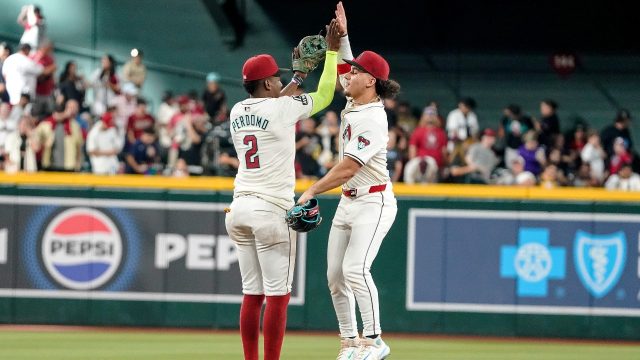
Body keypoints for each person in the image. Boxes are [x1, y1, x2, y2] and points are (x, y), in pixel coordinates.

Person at [224, 20, 340, 360]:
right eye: (276, 76)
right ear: (266, 83)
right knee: (278, 296)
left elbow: (276, 105)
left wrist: (297, 79)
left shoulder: (237, 110)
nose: (280, 79)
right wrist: (331, 53)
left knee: (252, 294)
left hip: (239, 209)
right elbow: (325, 95)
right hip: (269, 211)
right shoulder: (279, 107)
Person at [296, 3, 397, 359]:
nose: (347, 75)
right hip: (350, 201)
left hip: (374, 200)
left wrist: (309, 190)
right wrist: (343, 36)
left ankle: (374, 341)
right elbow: (343, 63)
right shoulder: (358, 97)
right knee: (335, 276)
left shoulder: (372, 117)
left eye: (355, 73)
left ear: (370, 80)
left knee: (356, 269)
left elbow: (347, 169)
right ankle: (350, 343)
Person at [33, 99, 84, 171]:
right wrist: (41, 143)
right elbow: (35, 136)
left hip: (68, 165)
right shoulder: (46, 124)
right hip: (49, 165)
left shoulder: (74, 126)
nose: (58, 116)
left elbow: (79, 146)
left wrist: (78, 163)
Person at [86, 109, 123, 175]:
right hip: (100, 166)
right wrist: (108, 152)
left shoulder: (112, 130)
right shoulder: (94, 133)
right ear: (103, 122)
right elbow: (90, 151)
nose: (109, 127)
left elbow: (117, 148)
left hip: (112, 165)